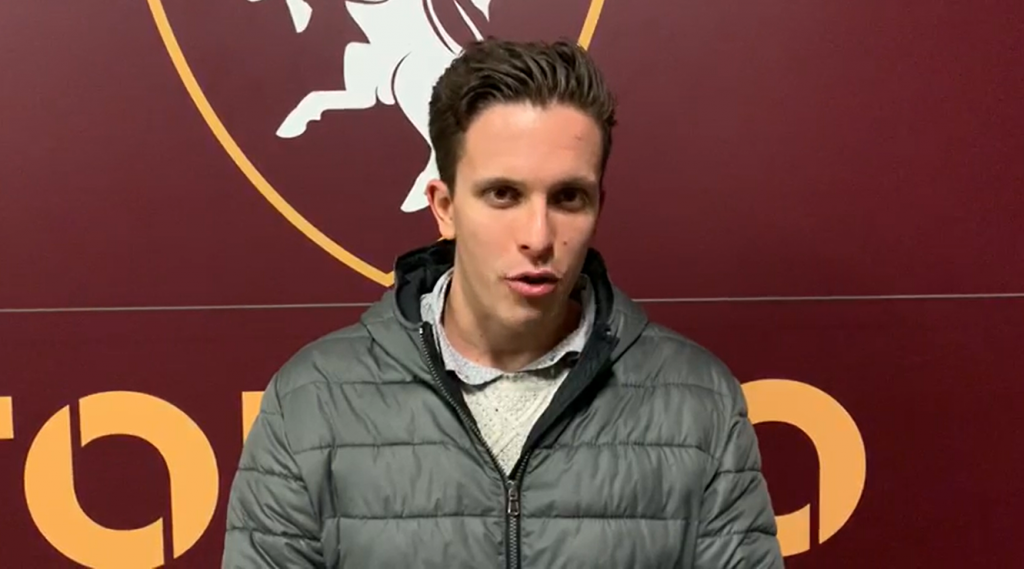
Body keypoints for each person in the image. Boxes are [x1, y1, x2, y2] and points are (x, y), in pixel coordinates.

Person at [222, 37, 783, 568]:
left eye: (568, 197)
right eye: (503, 194)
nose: (538, 236)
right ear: (444, 207)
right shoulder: (310, 404)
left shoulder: (699, 405)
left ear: (597, 206)